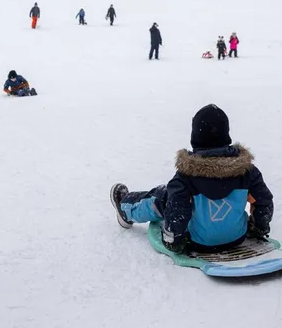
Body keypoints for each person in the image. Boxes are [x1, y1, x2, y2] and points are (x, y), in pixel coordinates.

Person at [110, 105, 273, 254]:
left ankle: (126, 208)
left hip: (198, 242)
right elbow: (263, 202)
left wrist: (173, 240)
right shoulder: (248, 172)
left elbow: (177, 211)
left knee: (163, 197)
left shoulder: (185, 178)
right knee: (176, 195)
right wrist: (258, 228)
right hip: (237, 238)